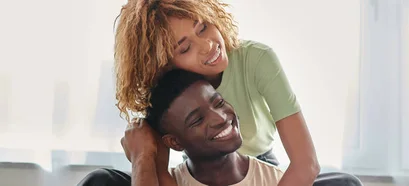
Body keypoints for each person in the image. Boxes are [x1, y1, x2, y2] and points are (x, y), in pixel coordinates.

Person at [111, 0, 361, 185]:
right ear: (163, 64)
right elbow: (162, 176)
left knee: (343, 182)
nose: (208, 45)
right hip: (199, 170)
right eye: (185, 48)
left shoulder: (257, 59)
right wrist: (142, 156)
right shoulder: (166, 94)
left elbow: (306, 163)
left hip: (260, 163)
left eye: (203, 28)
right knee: (103, 180)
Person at [78, 70, 362, 186]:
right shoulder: (170, 183)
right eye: (197, 120)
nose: (220, 117)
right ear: (174, 142)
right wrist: (143, 156)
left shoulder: (276, 181)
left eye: (219, 102)